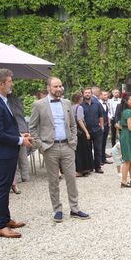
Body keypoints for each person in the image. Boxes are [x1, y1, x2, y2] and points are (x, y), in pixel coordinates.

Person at [29, 77, 90, 223]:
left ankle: (74, 209)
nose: (59, 89)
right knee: (53, 180)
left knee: (71, 178)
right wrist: (40, 146)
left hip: (67, 146)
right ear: (48, 88)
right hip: (50, 147)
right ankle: (57, 210)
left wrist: (73, 141)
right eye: (56, 86)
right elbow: (32, 127)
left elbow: (73, 124)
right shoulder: (38, 105)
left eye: (60, 86)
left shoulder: (67, 103)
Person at [0, 68, 31, 239]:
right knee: (2, 188)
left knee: (4, 187)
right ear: (1, 84)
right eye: (10, 81)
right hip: (3, 153)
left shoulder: (3, 100)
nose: (12, 83)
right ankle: (0, 226)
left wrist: (19, 135)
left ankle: (6, 218)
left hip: (8, 151)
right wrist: (20, 141)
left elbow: (6, 128)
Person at [7, 91, 31, 187]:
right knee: (23, 155)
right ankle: (26, 176)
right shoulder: (18, 100)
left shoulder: (6, 102)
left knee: (15, 156)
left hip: (15, 129)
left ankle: (18, 177)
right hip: (23, 127)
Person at [81, 87, 104, 173]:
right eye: (86, 93)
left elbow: (101, 116)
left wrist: (101, 127)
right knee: (88, 150)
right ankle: (90, 167)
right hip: (86, 131)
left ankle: (98, 167)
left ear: (91, 94)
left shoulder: (97, 104)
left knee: (98, 149)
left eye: (89, 92)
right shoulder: (81, 105)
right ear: (83, 94)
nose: (87, 94)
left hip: (97, 130)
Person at [71, 93, 93, 177]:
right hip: (80, 131)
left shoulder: (71, 107)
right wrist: (86, 131)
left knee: (78, 151)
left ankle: (78, 169)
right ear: (79, 99)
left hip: (74, 131)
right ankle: (83, 169)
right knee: (83, 150)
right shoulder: (79, 107)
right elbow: (80, 120)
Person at [99, 90, 112, 165]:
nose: (106, 96)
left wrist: (109, 123)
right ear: (100, 96)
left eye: (106, 95)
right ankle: (99, 160)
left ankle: (103, 159)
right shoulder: (98, 103)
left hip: (106, 124)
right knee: (100, 143)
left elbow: (108, 114)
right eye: (104, 95)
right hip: (101, 125)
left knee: (104, 143)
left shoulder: (107, 103)